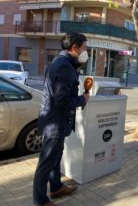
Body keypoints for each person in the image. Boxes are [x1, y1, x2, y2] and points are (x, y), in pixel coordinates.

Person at [33, 32, 90, 206]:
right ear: (74, 48)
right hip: (54, 123)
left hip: (55, 121)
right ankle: (40, 200)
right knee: (46, 162)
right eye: (84, 48)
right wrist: (83, 99)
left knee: (55, 158)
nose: (85, 51)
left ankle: (56, 187)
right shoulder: (64, 66)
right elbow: (63, 100)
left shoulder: (63, 63)